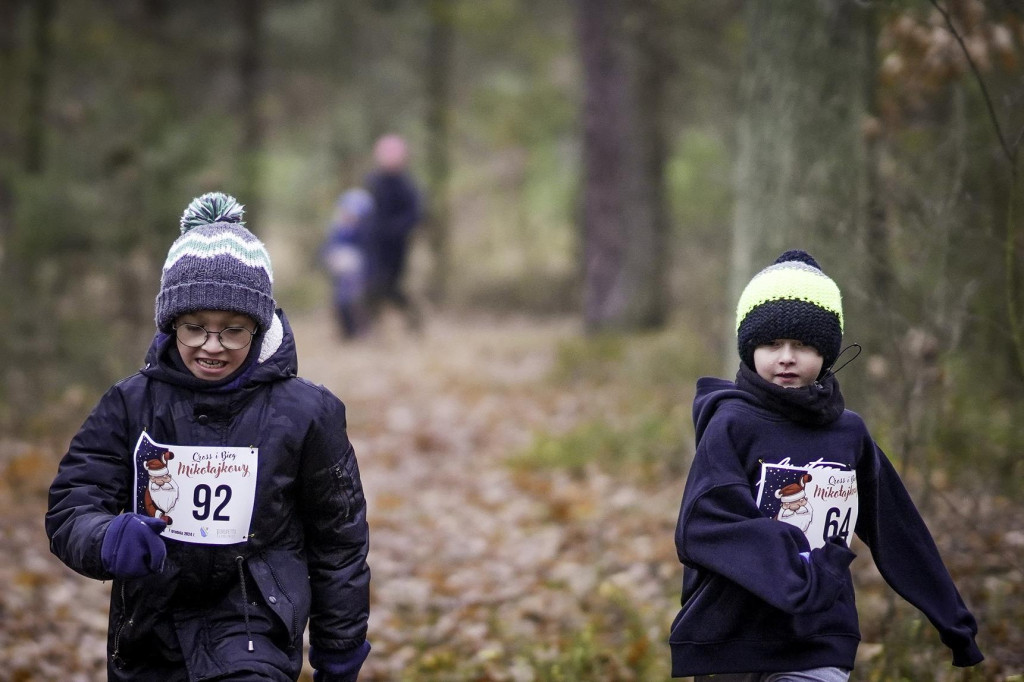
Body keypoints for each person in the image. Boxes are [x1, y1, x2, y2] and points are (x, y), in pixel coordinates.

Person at [46, 192, 371, 682]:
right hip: (150, 629)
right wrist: (108, 537)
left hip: (254, 625)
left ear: (259, 329)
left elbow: (339, 540)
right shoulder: (131, 403)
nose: (212, 346)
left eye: (233, 331)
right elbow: (73, 502)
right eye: (195, 327)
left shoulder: (307, 414)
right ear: (171, 323)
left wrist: (339, 648)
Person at [669, 250, 983, 680]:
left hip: (819, 636)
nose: (785, 357)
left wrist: (953, 621)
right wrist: (804, 569)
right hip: (732, 640)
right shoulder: (731, 424)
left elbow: (898, 528)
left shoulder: (848, 434)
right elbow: (704, 526)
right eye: (770, 344)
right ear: (748, 348)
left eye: (802, 344)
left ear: (827, 351)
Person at [364, 133, 422, 328]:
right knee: (371, 285)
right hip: (373, 245)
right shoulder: (373, 181)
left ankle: (414, 317)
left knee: (390, 286)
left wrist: (396, 230)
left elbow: (415, 214)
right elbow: (364, 210)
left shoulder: (406, 185)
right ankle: (370, 327)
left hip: (396, 247)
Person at [322, 188, 375, 339]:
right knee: (341, 304)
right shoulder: (337, 230)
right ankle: (346, 334)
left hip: (359, 276)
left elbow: (370, 255)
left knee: (357, 304)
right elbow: (328, 250)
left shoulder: (366, 233)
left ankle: (361, 332)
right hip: (341, 276)